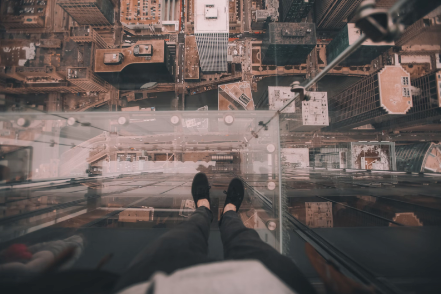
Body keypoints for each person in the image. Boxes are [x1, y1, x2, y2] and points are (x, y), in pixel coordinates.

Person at [113, 173, 317, 294]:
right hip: (270, 285)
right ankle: (229, 210)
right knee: (242, 237)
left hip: (155, 284)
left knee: (186, 233)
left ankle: (203, 206)